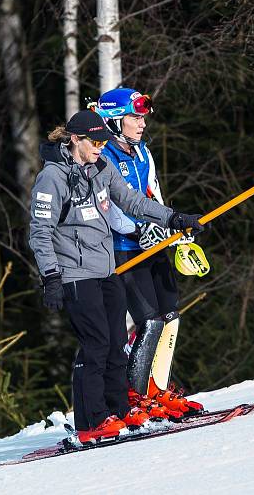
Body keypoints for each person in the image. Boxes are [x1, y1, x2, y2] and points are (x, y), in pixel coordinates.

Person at [28, 109, 204, 443]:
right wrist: (50, 276)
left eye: (103, 142)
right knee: (94, 345)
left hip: (106, 269)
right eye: (94, 142)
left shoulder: (102, 168)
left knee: (116, 345)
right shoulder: (52, 178)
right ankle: (91, 421)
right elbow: (40, 231)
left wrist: (174, 218)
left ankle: (119, 410)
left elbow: (133, 201)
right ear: (75, 139)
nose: (100, 147)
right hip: (75, 275)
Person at [95, 87, 206, 416]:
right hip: (124, 250)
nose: (141, 123)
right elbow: (112, 207)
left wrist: (172, 228)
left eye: (142, 116)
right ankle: (136, 395)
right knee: (149, 321)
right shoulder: (103, 157)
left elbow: (152, 194)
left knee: (170, 316)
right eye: (134, 117)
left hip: (153, 244)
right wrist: (138, 229)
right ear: (115, 122)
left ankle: (157, 391)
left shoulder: (142, 152)